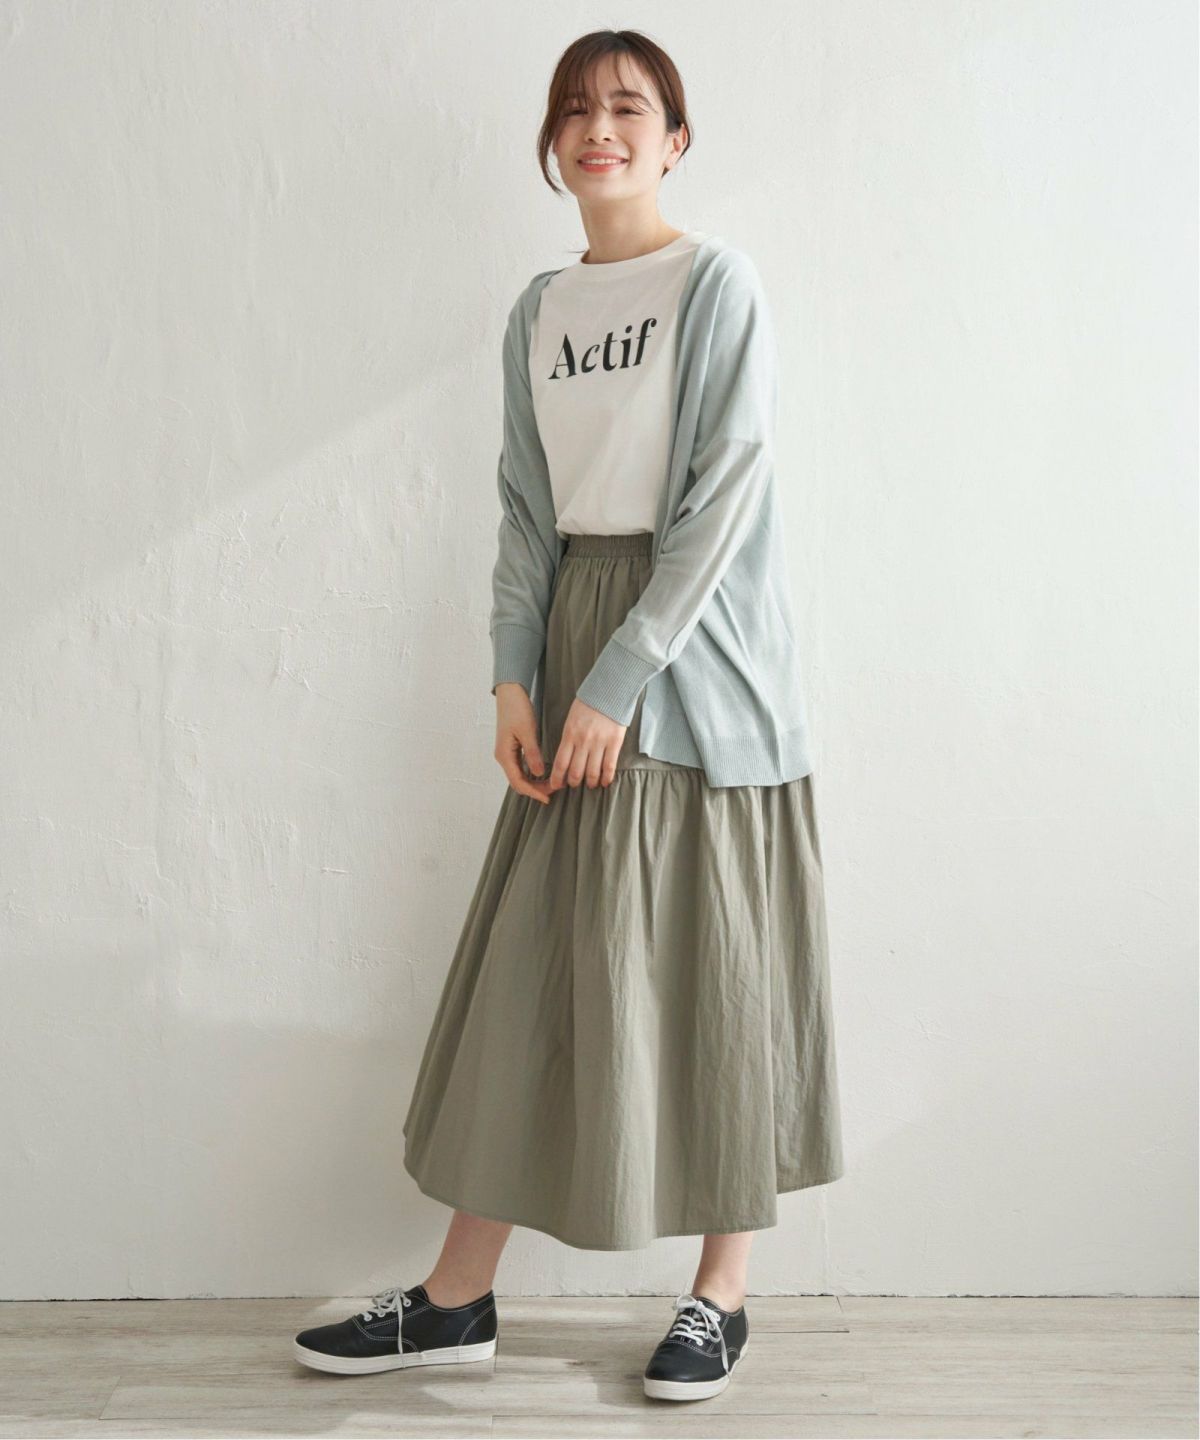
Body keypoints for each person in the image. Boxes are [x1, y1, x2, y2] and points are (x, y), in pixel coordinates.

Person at [293, 27, 844, 1404]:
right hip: (573, 635)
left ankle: (721, 1294)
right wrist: (511, 677)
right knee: (534, 963)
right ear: (553, 142)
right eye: (578, 109)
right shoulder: (538, 310)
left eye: (630, 107)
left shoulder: (717, 285)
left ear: (676, 140)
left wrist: (616, 681)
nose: (601, 127)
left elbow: (724, 496)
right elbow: (526, 509)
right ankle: (456, 1300)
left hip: (697, 655)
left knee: (719, 964)